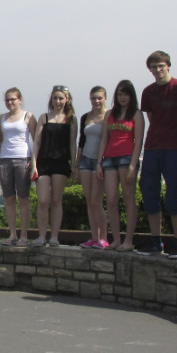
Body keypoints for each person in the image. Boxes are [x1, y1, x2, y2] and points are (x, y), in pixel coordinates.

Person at [138, 50, 177, 258]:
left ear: (168, 65)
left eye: (161, 66)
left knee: (174, 196)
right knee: (150, 195)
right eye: (153, 67)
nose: (158, 70)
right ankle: (156, 241)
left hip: (174, 148)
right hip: (152, 147)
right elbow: (151, 116)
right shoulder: (148, 92)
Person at [96, 80, 145, 251]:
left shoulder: (136, 114)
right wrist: (99, 162)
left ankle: (128, 240)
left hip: (127, 157)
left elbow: (138, 142)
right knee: (111, 199)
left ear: (131, 96)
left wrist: (133, 164)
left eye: (126, 94)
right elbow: (104, 139)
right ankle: (116, 239)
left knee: (128, 198)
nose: (123, 98)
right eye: (120, 94)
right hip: (109, 157)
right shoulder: (110, 114)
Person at [32, 86, 77, 246]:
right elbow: (37, 142)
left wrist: (74, 164)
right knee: (43, 200)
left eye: (61, 98)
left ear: (67, 100)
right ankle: (41, 235)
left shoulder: (71, 119)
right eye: (55, 98)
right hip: (43, 161)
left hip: (61, 162)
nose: (58, 101)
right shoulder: (44, 117)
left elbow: (73, 144)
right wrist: (34, 163)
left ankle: (54, 237)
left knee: (57, 199)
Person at [0, 87, 36, 246]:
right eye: (7, 100)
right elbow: (0, 140)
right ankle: (12, 234)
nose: (10, 102)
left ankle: (24, 235)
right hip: (5, 159)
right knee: (9, 198)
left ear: (20, 99)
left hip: (22, 158)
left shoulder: (28, 116)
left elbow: (35, 139)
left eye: (13, 99)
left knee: (23, 198)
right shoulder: (2, 118)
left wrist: (33, 160)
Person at [76, 86, 109, 249]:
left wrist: (101, 161)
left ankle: (103, 236)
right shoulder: (86, 117)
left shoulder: (108, 116)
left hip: (99, 161)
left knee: (97, 201)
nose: (96, 101)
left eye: (99, 98)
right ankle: (94, 236)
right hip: (85, 160)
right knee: (89, 201)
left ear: (105, 98)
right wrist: (77, 163)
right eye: (93, 98)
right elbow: (81, 141)